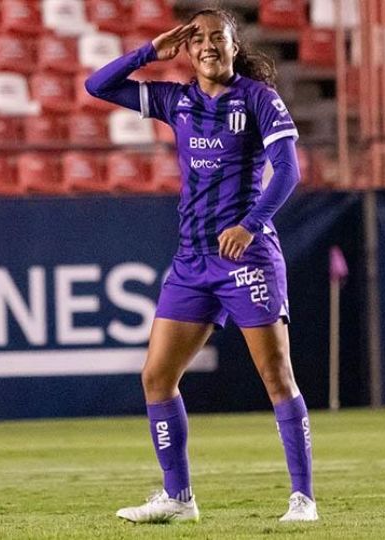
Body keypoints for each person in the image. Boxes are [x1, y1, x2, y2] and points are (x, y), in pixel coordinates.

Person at [84, 8, 317, 523]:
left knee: (276, 375)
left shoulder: (259, 100)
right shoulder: (178, 100)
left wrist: (251, 223)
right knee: (156, 377)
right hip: (192, 261)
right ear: (187, 50)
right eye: (199, 39)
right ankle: (179, 498)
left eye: (219, 37)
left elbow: (288, 171)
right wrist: (150, 51)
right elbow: (96, 85)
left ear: (236, 47)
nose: (209, 45)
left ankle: (303, 500)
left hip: (247, 256)